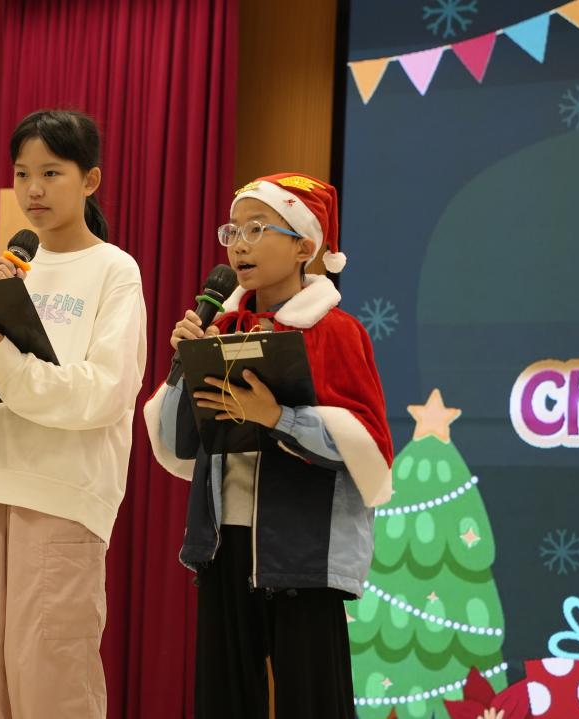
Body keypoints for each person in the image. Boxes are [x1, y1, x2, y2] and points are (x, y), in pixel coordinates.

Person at [145, 173, 393, 718]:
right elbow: (178, 444)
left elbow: (368, 450)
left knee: (314, 701)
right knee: (224, 700)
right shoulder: (220, 327)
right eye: (233, 230)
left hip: (305, 550)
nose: (239, 244)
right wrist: (183, 365)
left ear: (305, 247)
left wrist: (278, 418)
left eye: (258, 229)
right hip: (222, 545)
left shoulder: (337, 331)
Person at [0, 109, 147, 719]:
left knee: (49, 667)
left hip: (62, 487)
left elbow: (105, 392)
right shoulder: (11, 271)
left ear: (90, 180)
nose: (33, 189)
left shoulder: (114, 269)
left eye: (51, 173)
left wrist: (3, 361)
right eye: (22, 173)